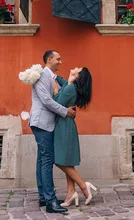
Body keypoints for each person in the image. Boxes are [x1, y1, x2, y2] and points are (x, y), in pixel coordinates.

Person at [29, 50, 77, 214]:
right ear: (49, 60)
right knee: (48, 160)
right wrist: (66, 111)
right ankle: (50, 201)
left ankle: (43, 196)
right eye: (58, 59)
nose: (60, 62)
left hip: (44, 123)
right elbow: (47, 101)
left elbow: (66, 88)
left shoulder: (53, 77)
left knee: (42, 159)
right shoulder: (42, 76)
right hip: (42, 123)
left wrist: (71, 80)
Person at [52, 67, 98, 206]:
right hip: (66, 125)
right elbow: (60, 79)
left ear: (78, 76)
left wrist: (55, 89)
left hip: (64, 126)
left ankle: (84, 185)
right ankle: (71, 193)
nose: (74, 67)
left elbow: (56, 103)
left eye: (77, 69)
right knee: (67, 161)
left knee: (59, 160)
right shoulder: (70, 86)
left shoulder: (71, 88)